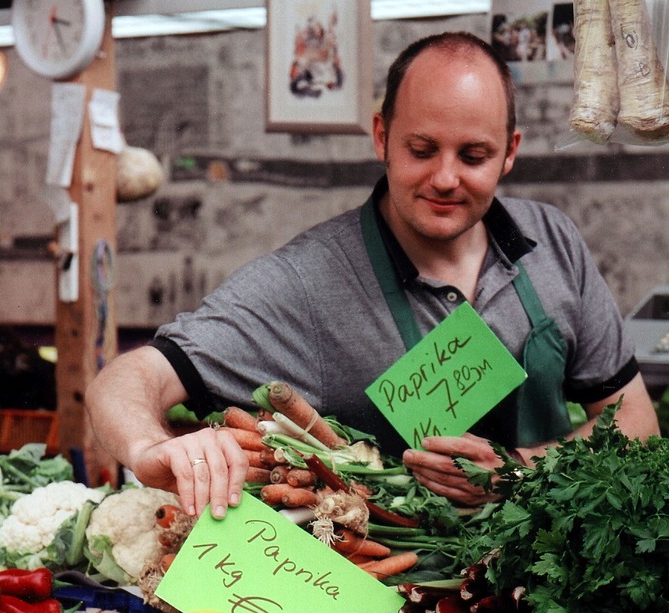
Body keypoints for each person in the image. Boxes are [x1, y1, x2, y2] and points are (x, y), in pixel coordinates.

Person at [85, 31, 658, 519]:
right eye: (422, 149)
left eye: (474, 156)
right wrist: (148, 447)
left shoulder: (551, 242)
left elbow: (634, 418)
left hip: (552, 571)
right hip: (401, 604)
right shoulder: (308, 284)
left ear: (510, 153)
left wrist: (520, 472)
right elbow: (129, 377)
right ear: (382, 136)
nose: (445, 178)